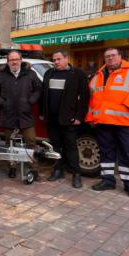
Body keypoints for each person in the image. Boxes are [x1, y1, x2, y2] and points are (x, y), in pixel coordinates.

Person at [86, 48, 129, 198]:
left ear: (120, 57)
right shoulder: (98, 75)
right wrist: (91, 117)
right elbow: (93, 98)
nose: (110, 58)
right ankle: (107, 180)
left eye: (113, 56)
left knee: (126, 152)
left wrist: (128, 104)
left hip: (124, 121)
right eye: (107, 56)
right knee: (106, 152)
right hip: (104, 122)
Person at [40, 50, 89, 188]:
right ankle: (58, 170)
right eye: (54, 59)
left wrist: (80, 117)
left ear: (66, 58)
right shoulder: (49, 73)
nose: (56, 62)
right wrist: (42, 113)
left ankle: (76, 174)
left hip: (69, 119)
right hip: (52, 119)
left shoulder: (78, 74)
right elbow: (44, 95)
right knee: (55, 146)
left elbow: (85, 98)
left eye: (59, 59)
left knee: (71, 147)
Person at [0, 50, 42, 178]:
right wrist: (3, 103)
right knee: (10, 144)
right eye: (11, 60)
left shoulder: (30, 74)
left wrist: (31, 101)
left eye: (16, 59)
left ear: (20, 60)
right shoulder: (1, 75)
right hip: (8, 115)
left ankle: (33, 168)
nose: (14, 62)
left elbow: (39, 89)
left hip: (26, 115)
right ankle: (12, 167)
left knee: (31, 143)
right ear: (8, 62)